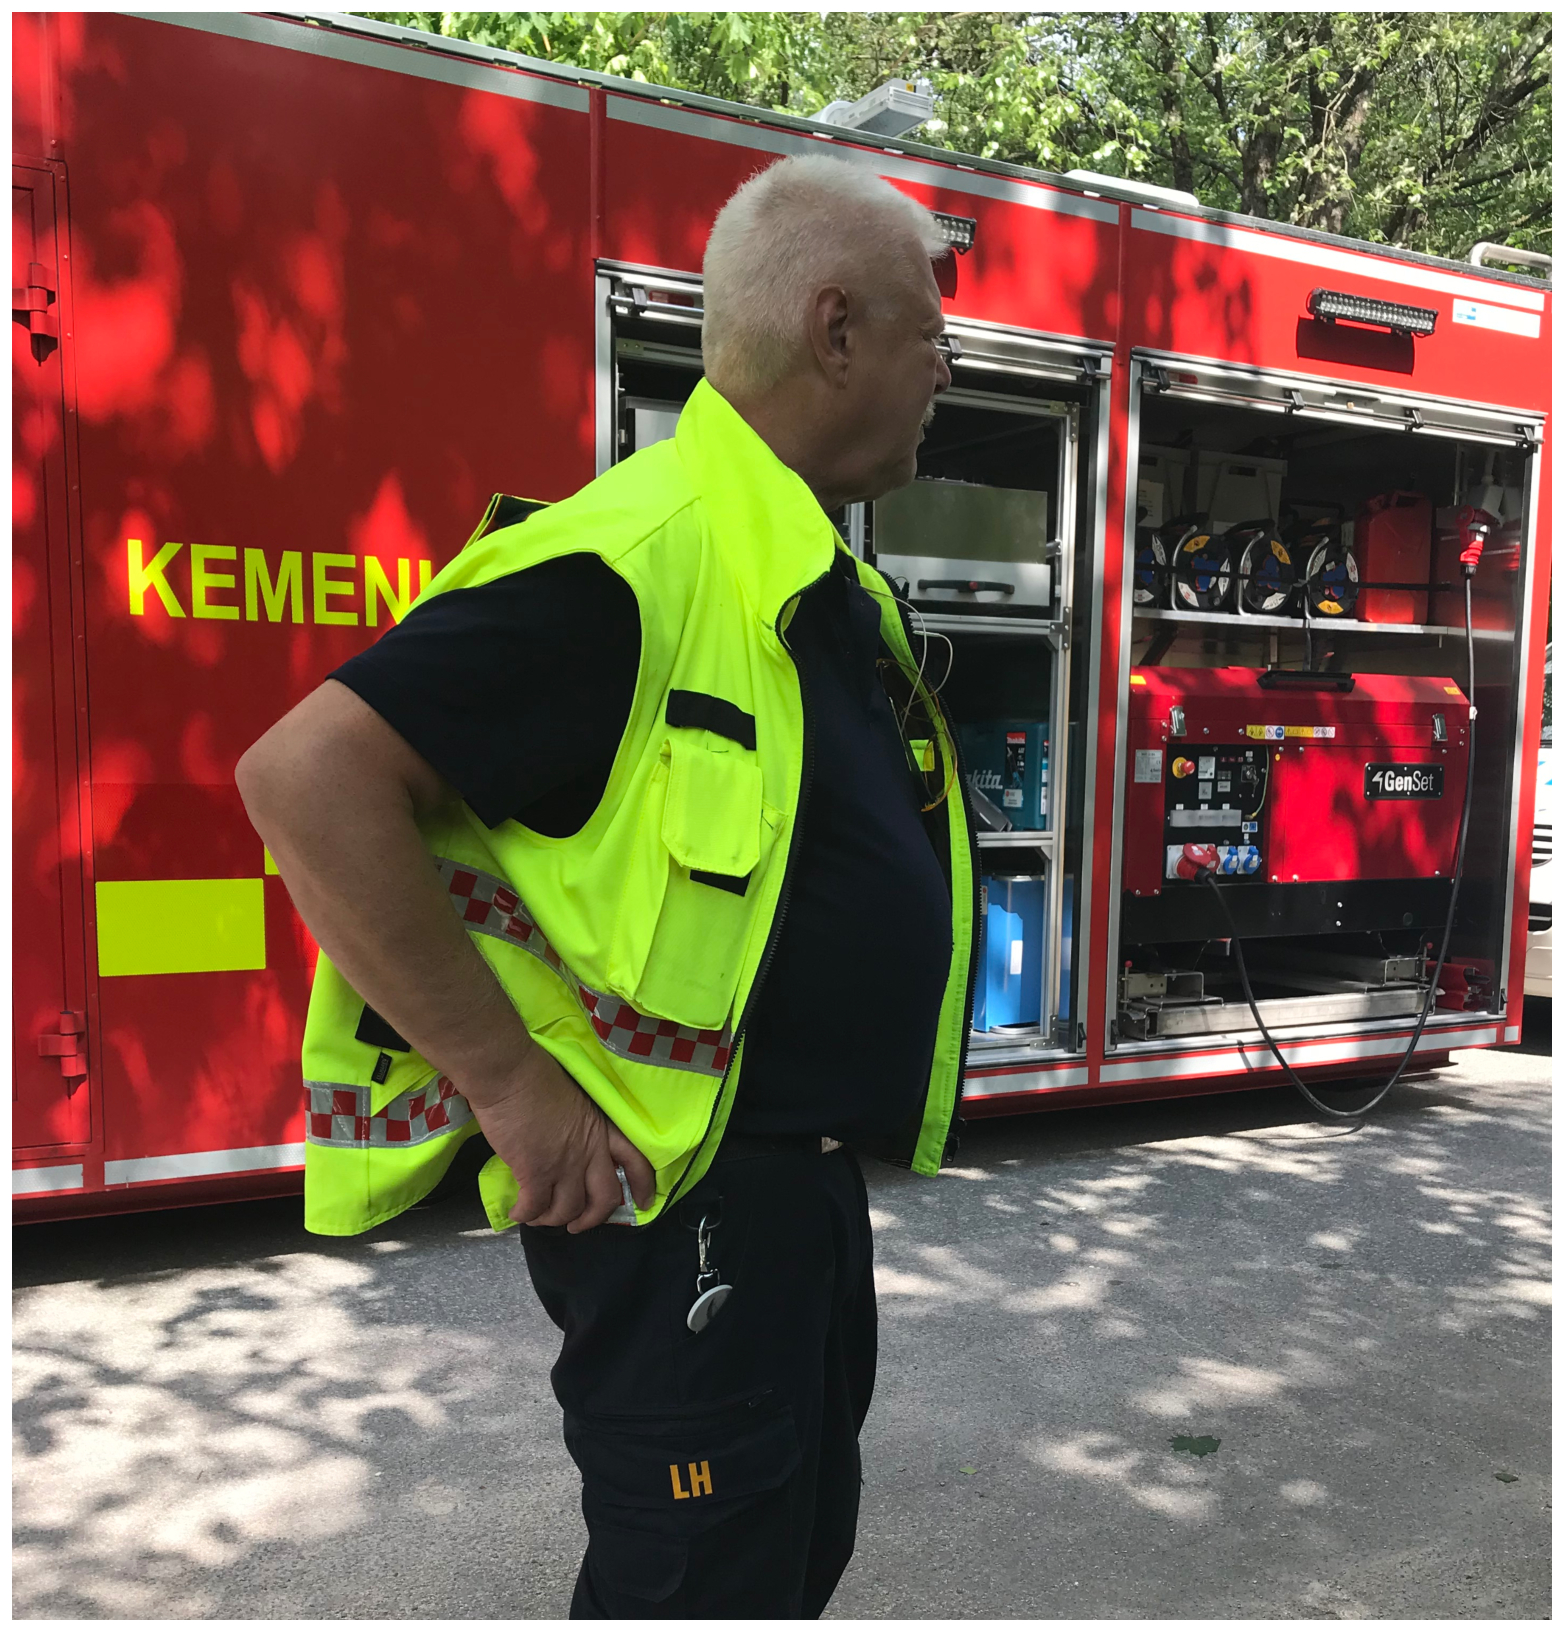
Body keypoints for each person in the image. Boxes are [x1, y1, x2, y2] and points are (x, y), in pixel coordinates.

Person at [239, 155, 970, 1617]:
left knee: (779, 1558)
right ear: (836, 330)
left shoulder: (811, 581)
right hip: (682, 1207)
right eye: (927, 325)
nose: (947, 361)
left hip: (790, 1202)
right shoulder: (631, 564)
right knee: (695, 1578)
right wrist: (513, 1090)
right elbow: (305, 780)